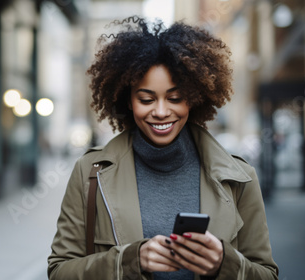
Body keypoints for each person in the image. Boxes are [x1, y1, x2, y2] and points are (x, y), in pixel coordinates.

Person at [47, 17, 278, 280]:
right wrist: (130, 261)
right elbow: (59, 271)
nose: (160, 112)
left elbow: (267, 274)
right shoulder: (90, 173)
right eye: (146, 99)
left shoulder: (239, 177)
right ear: (128, 100)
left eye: (175, 98)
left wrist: (224, 264)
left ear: (193, 99)